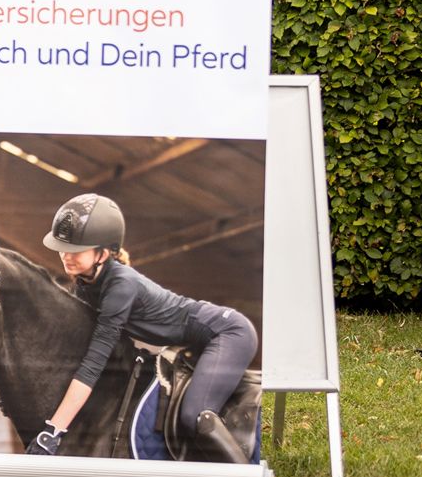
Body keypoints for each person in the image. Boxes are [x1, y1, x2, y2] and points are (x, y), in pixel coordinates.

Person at [30, 193, 259, 463]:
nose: (66, 257)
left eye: (76, 250)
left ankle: (244, 476)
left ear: (103, 252)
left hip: (228, 333)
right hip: (192, 345)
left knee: (194, 416)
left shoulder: (121, 284)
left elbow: (93, 363)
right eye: (62, 249)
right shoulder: (85, 284)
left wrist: (54, 431)